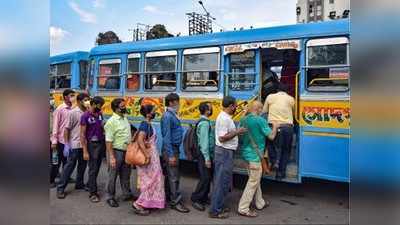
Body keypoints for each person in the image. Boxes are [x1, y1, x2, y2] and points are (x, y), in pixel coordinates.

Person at [237, 101, 278, 217]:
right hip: (255, 157)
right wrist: (275, 126)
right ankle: (243, 208)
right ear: (259, 109)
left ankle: (260, 203)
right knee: (253, 182)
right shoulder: (261, 120)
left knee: (255, 180)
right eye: (262, 109)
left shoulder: (244, 119)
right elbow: (271, 136)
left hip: (246, 154)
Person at [209, 96, 247, 219]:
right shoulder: (224, 119)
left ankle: (219, 205)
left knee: (224, 181)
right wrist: (237, 132)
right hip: (224, 152)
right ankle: (215, 211)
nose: (236, 108)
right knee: (221, 182)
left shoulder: (225, 117)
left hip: (225, 152)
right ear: (230, 106)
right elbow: (222, 138)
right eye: (235, 106)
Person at [131, 104, 166, 216]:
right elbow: (140, 140)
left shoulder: (148, 124)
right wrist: (147, 155)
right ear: (148, 114)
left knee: (154, 179)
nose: (155, 113)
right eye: (154, 111)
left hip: (152, 156)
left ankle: (148, 202)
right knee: (150, 181)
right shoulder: (145, 125)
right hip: (149, 157)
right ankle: (139, 204)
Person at [57, 93, 90, 199]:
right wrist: (66, 144)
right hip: (74, 144)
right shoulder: (73, 113)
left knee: (82, 165)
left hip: (84, 144)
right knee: (69, 166)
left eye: (88, 99)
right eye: (85, 100)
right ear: (79, 101)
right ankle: (61, 188)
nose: (87, 102)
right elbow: (66, 129)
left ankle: (79, 184)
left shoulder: (88, 112)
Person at [160, 93, 189, 213]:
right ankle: (175, 202)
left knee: (169, 175)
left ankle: (168, 197)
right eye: (177, 102)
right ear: (171, 102)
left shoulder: (172, 114)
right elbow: (166, 137)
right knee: (174, 177)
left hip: (172, 148)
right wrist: (171, 154)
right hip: (171, 149)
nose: (179, 104)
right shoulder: (168, 116)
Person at [104, 98, 133, 207]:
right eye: (122, 106)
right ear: (116, 108)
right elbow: (108, 141)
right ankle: (110, 197)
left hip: (126, 151)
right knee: (112, 175)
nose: (125, 107)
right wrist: (111, 157)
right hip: (116, 152)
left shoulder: (124, 118)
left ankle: (127, 194)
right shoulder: (111, 122)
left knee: (126, 174)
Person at [262, 83, 295, 180]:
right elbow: (293, 113)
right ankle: (280, 174)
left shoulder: (270, 97)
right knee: (286, 150)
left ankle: (274, 160)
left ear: (277, 90)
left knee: (270, 144)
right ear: (287, 91)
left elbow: (264, 111)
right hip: (287, 127)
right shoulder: (291, 99)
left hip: (273, 125)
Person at [80, 96, 105, 203]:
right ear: (93, 104)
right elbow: (82, 134)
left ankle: (90, 184)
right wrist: (85, 151)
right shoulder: (85, 116)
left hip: (101, 143)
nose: (101, 107)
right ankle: (93, 193)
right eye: (99, 105)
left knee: (97, 167)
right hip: (91, 145)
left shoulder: (99, 114)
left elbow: (102, 127)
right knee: (93, 169)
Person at [191, 102, 215, 211]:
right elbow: (204, 143)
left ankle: (204, 197)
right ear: (207, 111)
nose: (212, 109)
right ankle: (196, 198)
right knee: (205, 178)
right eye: (210, 108)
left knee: (207, 177)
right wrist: (207, 158)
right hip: (204, 154)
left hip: (205, 154)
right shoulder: (204, 123)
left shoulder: (203, 121)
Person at [50, 89, 75, 188]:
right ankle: (51, 180)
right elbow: (55, 125)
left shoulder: (74, 108)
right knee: (56, 162)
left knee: (67, 162)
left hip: (69, 141)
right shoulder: (60, 109)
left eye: (74, 95)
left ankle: (66, 177)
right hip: (59, 141)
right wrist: (54, 141)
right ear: (65, 97)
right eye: (71, 95)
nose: (73, 97)